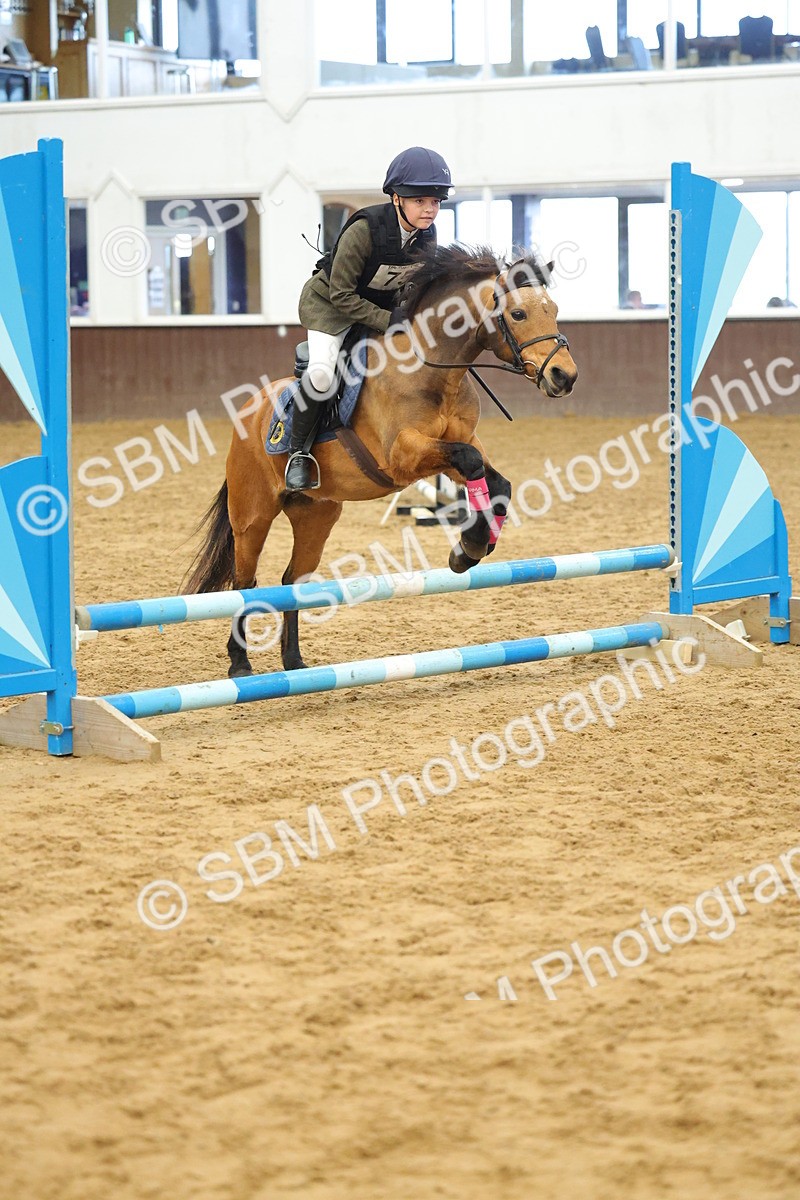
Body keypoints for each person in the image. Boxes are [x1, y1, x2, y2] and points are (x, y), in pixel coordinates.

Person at [286, 146, 452, 490]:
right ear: (396, 198)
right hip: (330, 308)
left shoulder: (427, 234)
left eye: (435, 201)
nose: (430, 209)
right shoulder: (364, 229)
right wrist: (389, 320)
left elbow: (413, 284)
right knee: (321, 376)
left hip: (379, 309)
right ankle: (297, 453)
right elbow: (341, 295)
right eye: (420, 200)